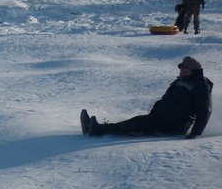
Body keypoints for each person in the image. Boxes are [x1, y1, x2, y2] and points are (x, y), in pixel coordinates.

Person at [80, 56, 213, 139]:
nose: (182, 73)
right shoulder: (182, 81)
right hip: (161, 118)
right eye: (181, 70)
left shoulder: (200, 86)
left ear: (193, 72)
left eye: (185, 71)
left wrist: (195, 133)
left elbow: (205, 110)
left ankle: (97, 130)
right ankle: (93, 128)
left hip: (174, 126)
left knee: (137, 124)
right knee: (136, 122)